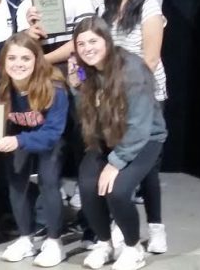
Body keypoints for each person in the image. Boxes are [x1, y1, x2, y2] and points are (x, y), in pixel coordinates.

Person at [68, 17, 167, 270]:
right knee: (87, 185)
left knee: (118, 191)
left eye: (93, 41)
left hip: (144, 139)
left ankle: (133, 248)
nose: (87, 48)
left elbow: (139, 125)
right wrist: (75, 84)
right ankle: (105, 243)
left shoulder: (132, 69)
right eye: (81, 44)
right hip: (106, 138)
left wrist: (116, 163)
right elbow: (84, 110)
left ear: (107, 40)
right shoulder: (85, 69)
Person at [0, 33, 69, 267]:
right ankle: (25, 237)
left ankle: (54, 241)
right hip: (18, 138)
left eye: (25, 58)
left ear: (36, 60)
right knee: (16, 181)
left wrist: (19, 140)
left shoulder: (54, 87)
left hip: (48, 140)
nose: (18, 64)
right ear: (3, 61)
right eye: (12, 58)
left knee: (48, 179)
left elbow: (52, 133)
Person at [102, 0, 168, 254]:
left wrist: (127, 91)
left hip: (146, 93)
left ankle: (156, 228)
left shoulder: (149, 6)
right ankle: (120, 224)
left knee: (146, 167)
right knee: (121, 158)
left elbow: (150, 59)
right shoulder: (108, 5)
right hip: (115, 95)